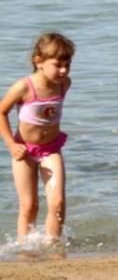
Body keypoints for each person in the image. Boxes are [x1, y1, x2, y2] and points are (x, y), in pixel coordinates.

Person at [1, 33, 75, 243]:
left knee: (58, 202)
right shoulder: (24, 87)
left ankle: (53, 245)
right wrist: (11, 145)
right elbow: (1, 112)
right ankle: (24, 248)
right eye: (58, 65)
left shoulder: (64, 84)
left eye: (67, 65)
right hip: (24, 151)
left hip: (51, 149)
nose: (64, 71)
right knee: (29, 205)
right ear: (39, 61)